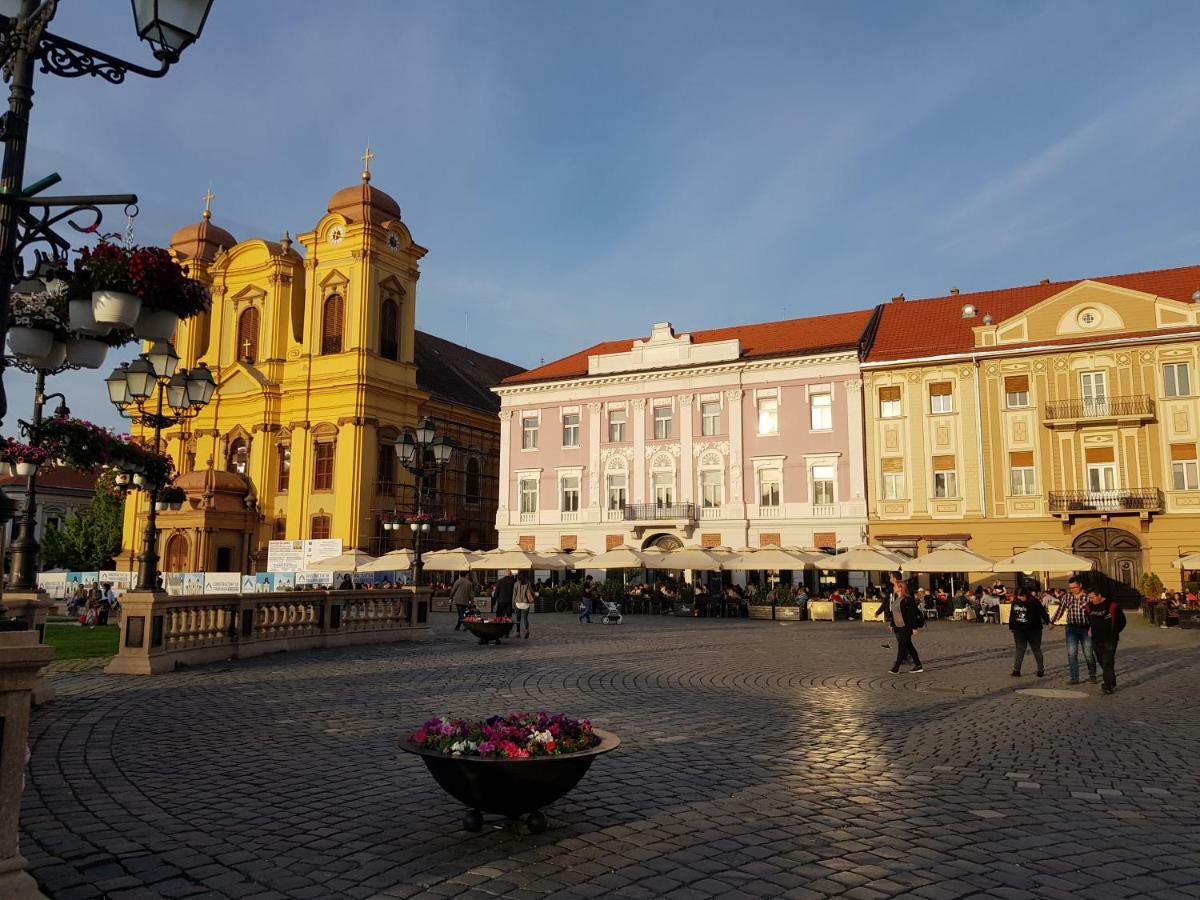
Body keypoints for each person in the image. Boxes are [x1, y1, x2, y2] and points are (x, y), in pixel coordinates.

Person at [1050, 575, 1097, 685]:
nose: (1072, 590)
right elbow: (1060, 609)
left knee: (1088, 653)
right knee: (1072, 654)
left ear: (1080, 585)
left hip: (1086, 629)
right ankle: (1074, 678)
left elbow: (1095, 612)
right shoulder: (1067, 597)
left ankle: (1092, 675)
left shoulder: (1088, 597)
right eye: (1070, 588)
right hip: (1071, 629)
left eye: (1074, 587)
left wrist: (1094, 627)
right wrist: (1053, 622)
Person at [876, 574, 924, 673]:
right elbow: (895, 613)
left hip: (906, 626)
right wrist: (892, 624)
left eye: (895, 586)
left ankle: (896, 668)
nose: (893, 588)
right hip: (898, 625)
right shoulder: (896, 599)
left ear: (900, 588)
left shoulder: (908, 599)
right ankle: (918, 665)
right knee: (909, 646)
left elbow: (912, 615)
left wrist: (914, 628)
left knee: (902, 646)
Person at [1087, 588, 1126, 695]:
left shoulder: (1113, 606)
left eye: (1092, 597)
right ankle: (1111, 678)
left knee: (1107, 661)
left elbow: (1122, 621)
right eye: (1089, 597)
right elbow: (1089, 619)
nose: (1091, 599)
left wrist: (1114, 632)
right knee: (1101, 661)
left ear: (1099, 595)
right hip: (1096, 639)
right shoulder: (1089, 606)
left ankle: (1107, 686)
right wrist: (1090, 629)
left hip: (1110, 639)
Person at [1008, 588, 1049, 677]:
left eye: (1022, 597)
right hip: (1019, 630)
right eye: (1018, 597)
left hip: (1034, 630)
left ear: (1026, 595)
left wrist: (1048, 622)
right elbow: (1012, 614)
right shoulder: (1015, 601)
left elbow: (1043, 612)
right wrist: (1011, 626)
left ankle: (1040, 669)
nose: (1020, 599)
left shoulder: (1034, 602)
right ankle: (1016, 670)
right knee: (1020, 649)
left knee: (1036, 649)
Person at [513, 571, 535, 638]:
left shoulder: (516, 584)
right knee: (525, 618)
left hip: (518, 603)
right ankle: (526, 630)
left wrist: (513, 604)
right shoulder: (528, 583)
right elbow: (531, 592)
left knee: (518, 618)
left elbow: (514, 595)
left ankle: (518, 632)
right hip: (525, 603)